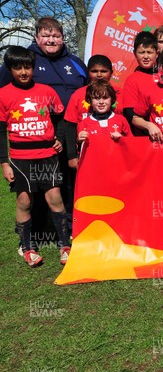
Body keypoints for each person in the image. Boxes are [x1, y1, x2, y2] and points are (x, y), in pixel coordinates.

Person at [0, 17, 87, 254]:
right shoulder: (23, 61)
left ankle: (68, 232)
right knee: (31, 193)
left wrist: (65, 136)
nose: (51, 40)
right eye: (46, 35)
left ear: (62, 37)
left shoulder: (77, 62)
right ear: (37, 38)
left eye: (56, 35)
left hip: (67, 135)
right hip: (29, 142)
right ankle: (34, 235)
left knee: (64, 185)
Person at [0, 46, 71, 266]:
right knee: (24, 201)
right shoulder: (3, 94)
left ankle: (64, 245)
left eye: (27, 67)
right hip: (21, 158)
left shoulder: (47, 91)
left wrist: (59, 137)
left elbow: (61, 117)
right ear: (10, 69)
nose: (23, 72)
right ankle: (28, 246)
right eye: (17, 67)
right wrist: (4, 162)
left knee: (55, 199)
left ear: (33, 67)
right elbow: (0, 131)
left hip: (47, 154)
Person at [64, 55, 122, 169]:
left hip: (116, 153)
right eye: (94, 71)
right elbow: (70, 127)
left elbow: (128, 125)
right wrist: (72, 156)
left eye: (103, 71)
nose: (99, 75)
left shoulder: (121, 93)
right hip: (87, 155)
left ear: (111, 72)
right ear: (88, 72)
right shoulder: (78, 95)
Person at [122, 31, 159, 132]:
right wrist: (148, 127)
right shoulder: (132, 80)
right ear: (135, 54)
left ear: (157, 53)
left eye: (149, 52)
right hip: (144, 136)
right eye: (142, 52)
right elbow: (130, 113)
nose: (146, 56)